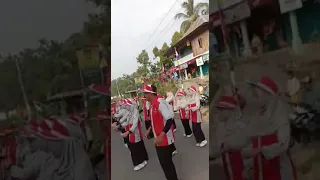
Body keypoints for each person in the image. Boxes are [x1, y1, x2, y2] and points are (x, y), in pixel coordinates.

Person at [242, 76, 297, 180]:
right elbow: (251, 143)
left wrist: (261, 151)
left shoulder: (280, 115)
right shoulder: (257, 116)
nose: (255, 94)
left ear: (268, 94)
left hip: (278, 169)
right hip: (260, 170)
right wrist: (248, 165)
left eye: (258, 92)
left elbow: (283, 144)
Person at [141, 84, 179, 180]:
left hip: (163, 141)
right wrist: (149, 129)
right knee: (165, 164)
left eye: (145, 93)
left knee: (167, 165)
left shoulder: (159, 103)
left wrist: (161, 136)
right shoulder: (153, 104)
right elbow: (155, 120)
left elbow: (169, 119)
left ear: (150, 93)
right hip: (159, 140)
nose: (144, 96)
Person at [211, 95, 250, 180]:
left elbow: (239, 143)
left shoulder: (239, 126)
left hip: (240, 166)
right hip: (228, 166)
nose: (219, 113)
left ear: (230, 111)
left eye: (222, 110)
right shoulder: (221, 126)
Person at [120, 99, 149, 171]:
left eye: (125, 105)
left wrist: (127, 132)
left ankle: (140, 162)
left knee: (135, 147)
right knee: (138, 145)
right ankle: (144, 158)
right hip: (132, 132)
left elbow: (135, 124)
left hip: (135, 132)